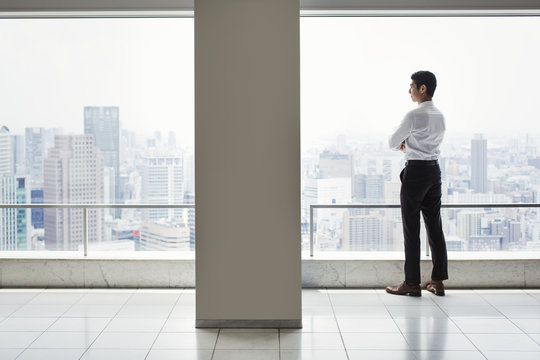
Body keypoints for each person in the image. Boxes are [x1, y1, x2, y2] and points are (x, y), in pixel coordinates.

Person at [385, 71, 448, 297]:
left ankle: (412, 283)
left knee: (412, 230)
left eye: (411, 86)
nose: (409, 90)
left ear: (422, 88)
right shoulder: (440, 116)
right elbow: (429, 142)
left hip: (415, 173)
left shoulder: (413, 115)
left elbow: (393, 142)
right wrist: (412, 143)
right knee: (435, 227)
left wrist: (405, 143)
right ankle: (438, 281)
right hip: (434, 171)